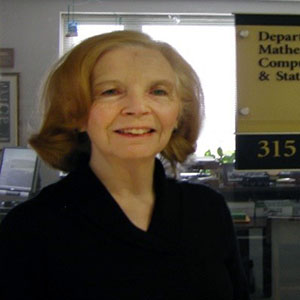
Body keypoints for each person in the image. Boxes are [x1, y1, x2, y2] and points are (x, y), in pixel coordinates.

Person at [0, 30, 249, 300]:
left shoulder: (207, 210)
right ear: (76, 114)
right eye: (110, 91)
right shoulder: (31, 228)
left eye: (158, 91)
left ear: (179, 113)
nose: (137, 107)